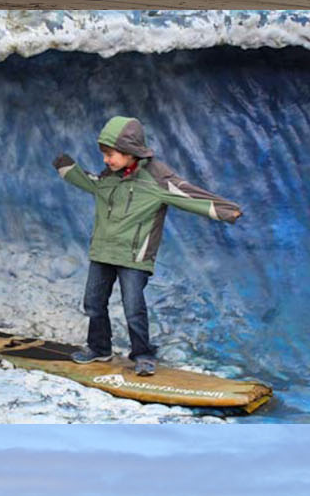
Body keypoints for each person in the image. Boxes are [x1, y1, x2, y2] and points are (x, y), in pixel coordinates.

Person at [53, 115, 240, 373]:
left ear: (131, 151)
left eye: (111, 154)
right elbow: (89, 182)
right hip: (103, 252)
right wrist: (65, 167)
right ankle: (99, 348)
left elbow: (187, 194)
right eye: (104, 154)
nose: (106, 160)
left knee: (133, 308)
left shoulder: (156, 179)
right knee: (93, 302)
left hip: (134, 257)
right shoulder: (109, 177)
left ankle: (142, 355)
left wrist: (226, 210)